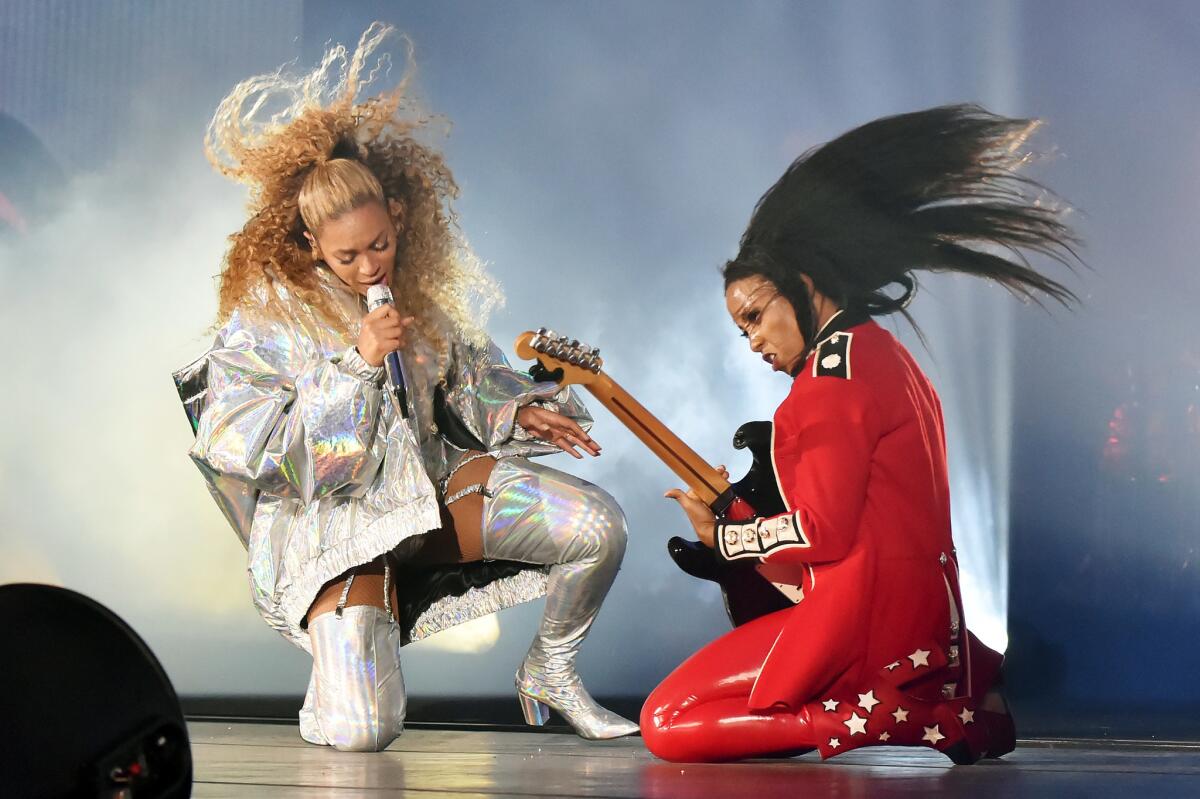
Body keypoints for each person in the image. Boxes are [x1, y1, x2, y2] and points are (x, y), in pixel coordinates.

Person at [173, 23, 637, 751]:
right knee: (364, 732)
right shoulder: (264, 318)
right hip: (337, 533)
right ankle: (336, 670)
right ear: (310, 247)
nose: (368, 265)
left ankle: (550, 668)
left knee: (596, 527)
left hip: (428, 499)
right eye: (348, 254)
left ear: (397, 216)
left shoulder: (417, 298)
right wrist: (355, 364)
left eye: (379, 243)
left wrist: (520, 408)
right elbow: (254, 446)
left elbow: (467, 385)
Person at [642, 104, 1080, 763]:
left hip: (866, 627)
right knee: (713, 711)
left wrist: (724, 535)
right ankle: (945, 700)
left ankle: (902, 717)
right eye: (744, 329)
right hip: (926, 617)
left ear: (805, 285)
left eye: (757, 316)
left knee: (667, 721)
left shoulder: (827, 383)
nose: (754, 340)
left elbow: (823, 530)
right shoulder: (884, 355)